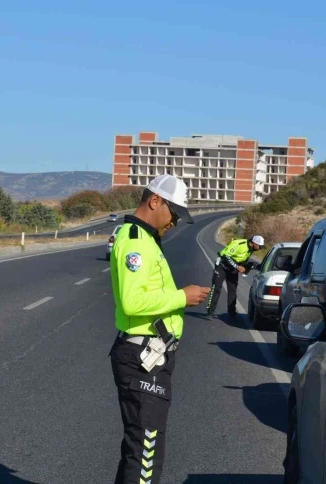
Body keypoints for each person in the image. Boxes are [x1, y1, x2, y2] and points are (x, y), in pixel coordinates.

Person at [108, 174, 210, 484]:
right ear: (155, 201)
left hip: (150, 354)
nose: (175, 222)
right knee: (145, 452)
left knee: (142, 447)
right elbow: (132, 301)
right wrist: (182, 296)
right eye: (175, 213)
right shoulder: (135, 243)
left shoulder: (147, 239)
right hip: (142, 356)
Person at [205, 235, 264, 320]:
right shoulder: (239, 243)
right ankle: (210, 312)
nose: (260, 248)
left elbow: (241, 260)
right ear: (254, 243)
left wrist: (248, 267)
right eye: (260, 246)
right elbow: (226, 256)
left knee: (232, 290)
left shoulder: (251, 249)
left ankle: (231, 312)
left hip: (232, 269)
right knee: (216, 288)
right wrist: (237, 267)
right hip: (221, 266)